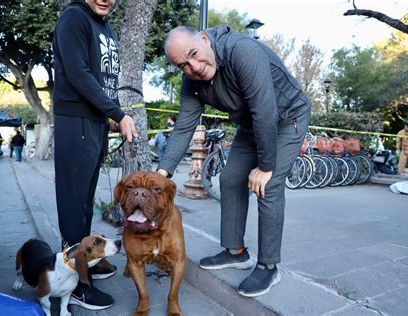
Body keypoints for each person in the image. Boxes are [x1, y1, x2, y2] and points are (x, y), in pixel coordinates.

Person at [157, 25, 311, 297]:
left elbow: (264, 109)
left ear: (204, 39)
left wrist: (265, 167)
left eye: (194, 53)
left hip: (288, 119)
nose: (194, 67)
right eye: (184, 65)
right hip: (252, 125)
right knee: (229, 179)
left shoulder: (243, 51)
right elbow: (184, 126)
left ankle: (268, 266)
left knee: (269, 184)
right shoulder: (191, 80)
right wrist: (162, 173)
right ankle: (235, 251)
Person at [52, 0, 137, 310]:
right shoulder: (74, 18)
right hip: (75, 121)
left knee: (86, 201)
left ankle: (87, 260)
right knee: (73, 203)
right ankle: (76, 283)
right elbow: (79, 74)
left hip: (97, 123)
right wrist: (116, 111)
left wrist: (110, 115)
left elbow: (104, 81)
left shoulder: (104, 26)